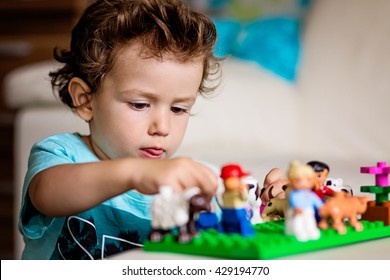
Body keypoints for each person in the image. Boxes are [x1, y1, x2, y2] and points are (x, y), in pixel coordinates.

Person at [18, 0, 222, 260]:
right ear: (85, 100)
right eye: (140, 104)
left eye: (178, 109)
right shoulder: (61, 155)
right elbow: (46, 194)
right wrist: (135, 173)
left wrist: (276, 202)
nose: (163, 127)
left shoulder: (186, 183)